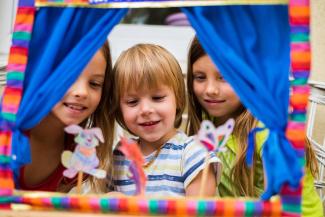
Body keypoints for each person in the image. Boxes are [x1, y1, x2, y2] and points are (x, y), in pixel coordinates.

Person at [186, 37, 323, 216]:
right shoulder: (211, 121)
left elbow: (281, 209)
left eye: (225, 77)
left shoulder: (267, 130)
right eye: (200, 77)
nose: (210, 89)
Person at [109, 43, 221, 197]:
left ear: (179, 100)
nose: (146, 109)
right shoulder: (119, 156)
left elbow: (200, 211)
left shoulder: (194, 153)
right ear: (119, 110)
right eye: (132, 102)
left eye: (157, 98)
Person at [18, 41, 115, 193]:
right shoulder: (9, 135)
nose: (82, 92)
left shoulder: (81, 157)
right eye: (69, 77)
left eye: (95, 83)